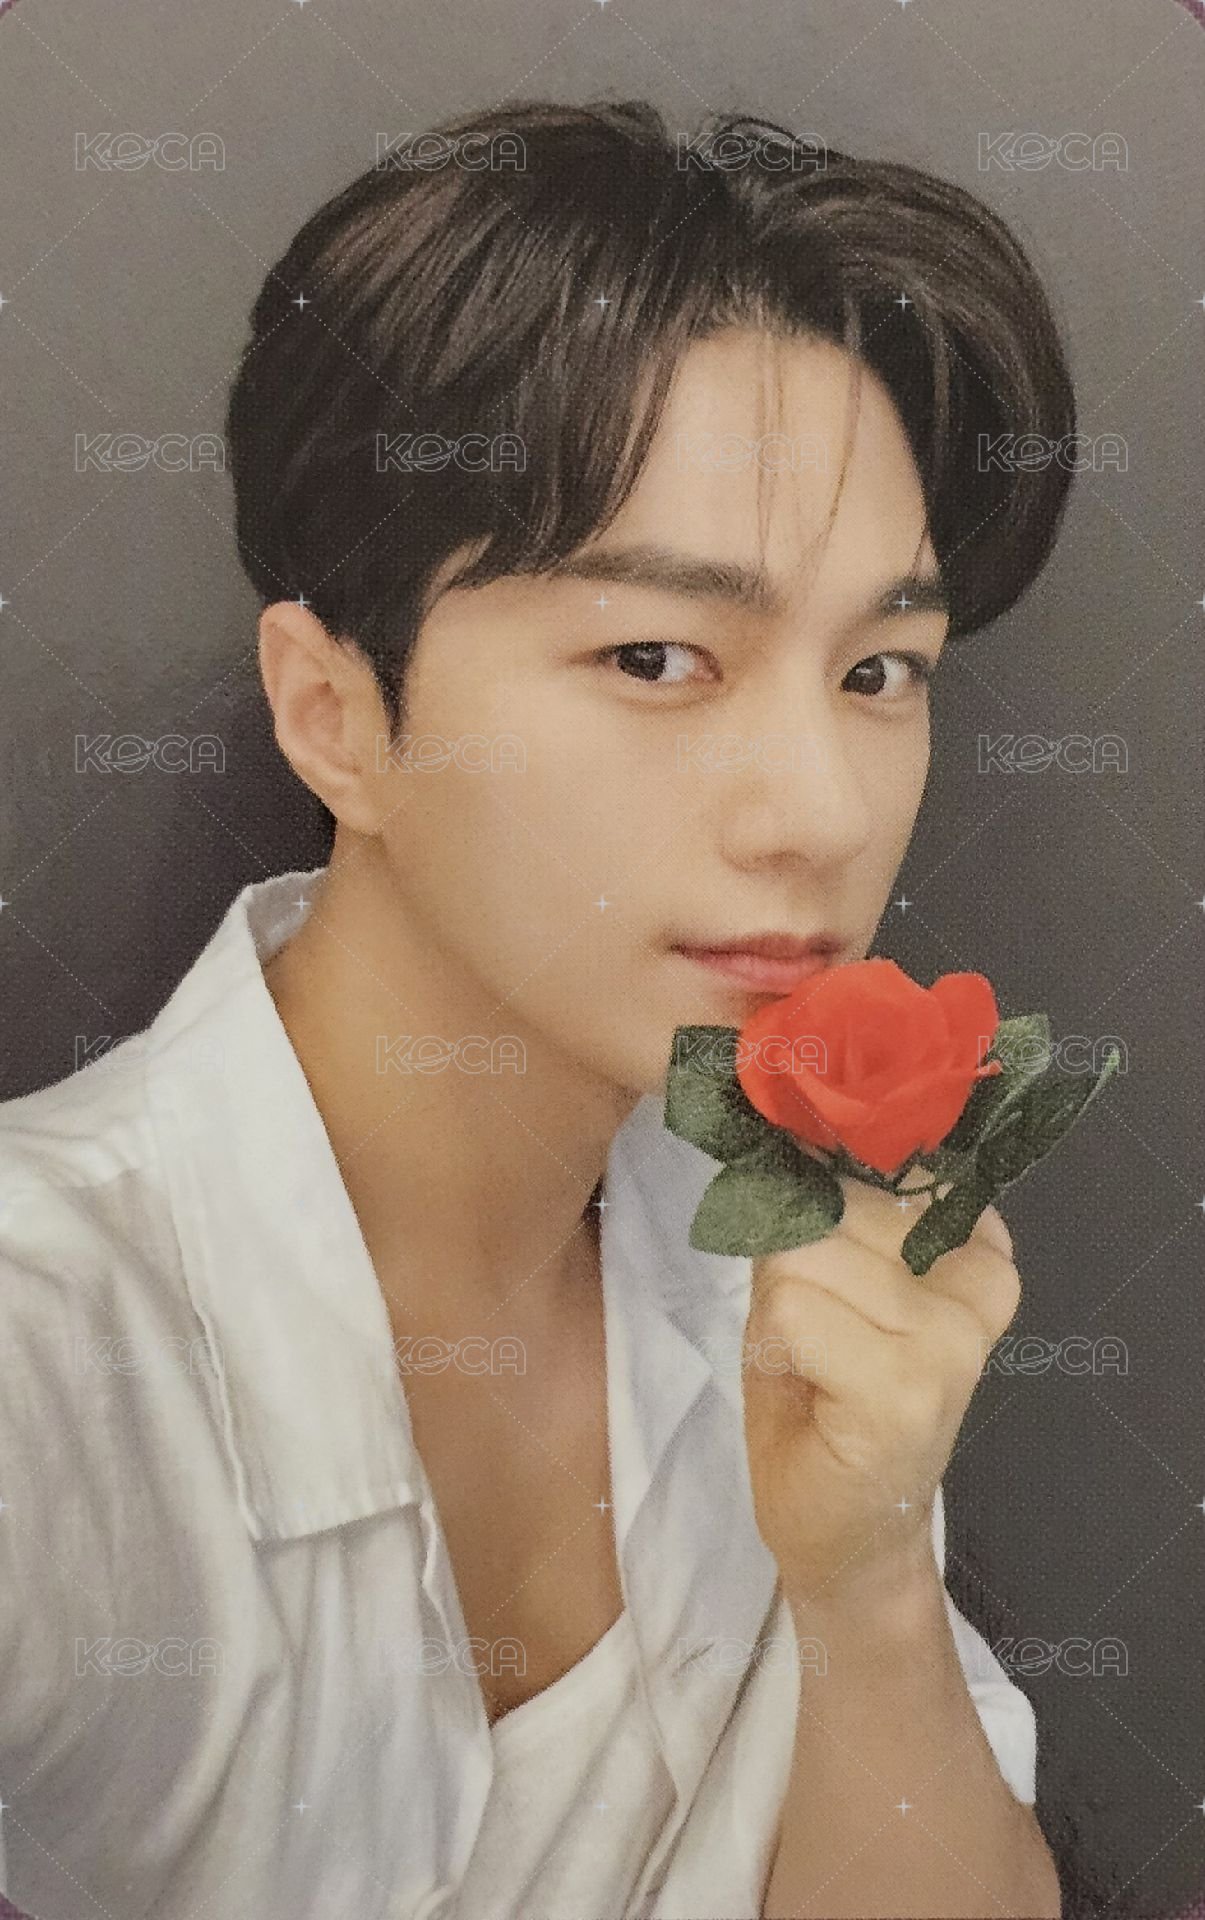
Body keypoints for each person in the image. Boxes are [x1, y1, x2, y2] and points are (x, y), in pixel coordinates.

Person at [0, 100, 1074, 1918]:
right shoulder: (46, 1353)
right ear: (336, 715)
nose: (819, 812)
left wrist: (869, 1577)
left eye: (881, 669)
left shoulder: (786, 1257)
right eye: (655, 656)